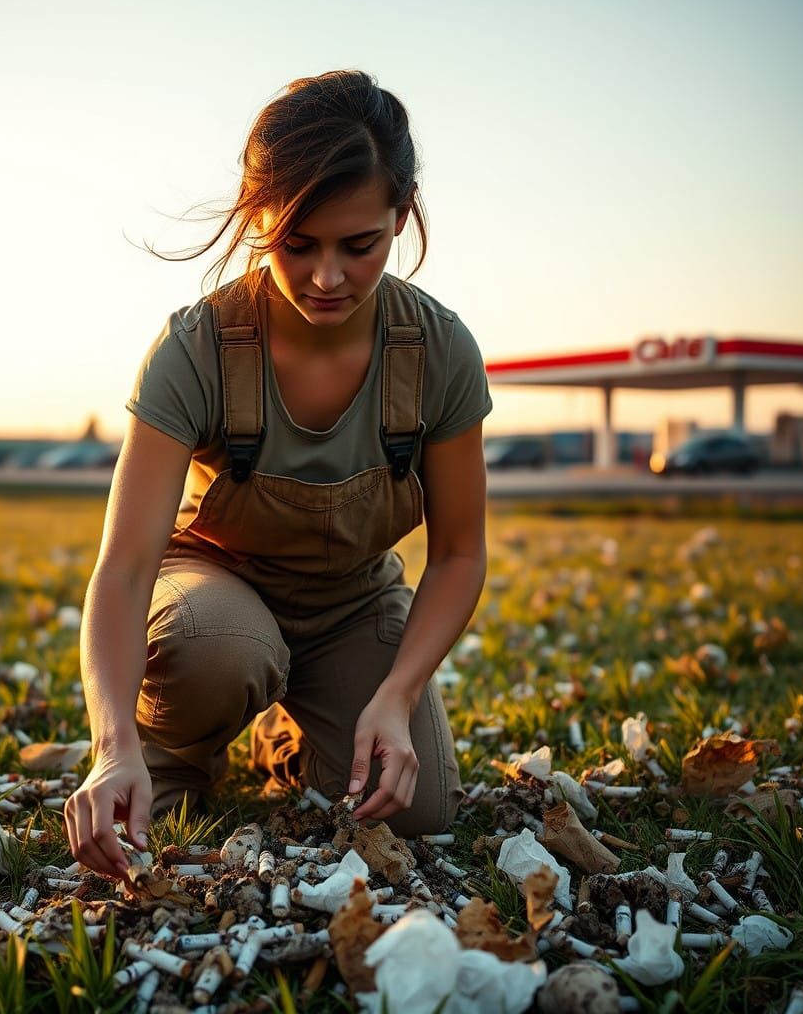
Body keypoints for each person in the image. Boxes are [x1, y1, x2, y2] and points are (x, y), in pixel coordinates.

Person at [64, 70, 491, 881]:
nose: (327, 277)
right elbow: (123, 572)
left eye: (358, 245)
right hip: (215, 590)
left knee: (422, 809)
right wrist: (110, 743)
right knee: (219, 649)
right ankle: (172, 746)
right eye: (297, 244)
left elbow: (462, 553)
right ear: (258, 216)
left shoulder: (440, 350)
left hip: (354, 602)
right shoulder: (193, 349)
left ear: (400, 216)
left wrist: (398, 695)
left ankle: (289, 733)